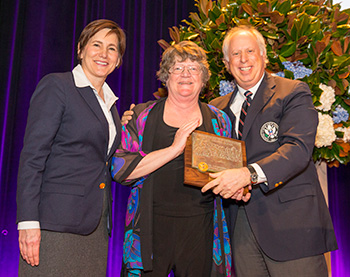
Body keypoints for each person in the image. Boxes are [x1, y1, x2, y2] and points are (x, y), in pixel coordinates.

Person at [201, 25, 338, 276]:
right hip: (239, 228)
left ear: (263, 55)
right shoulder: (214, 109)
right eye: (235, 54)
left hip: (293, 225)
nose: (243, 60)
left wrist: (248, 175)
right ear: (226, 63)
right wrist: (137, 120)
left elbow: (297, 149)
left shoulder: (293, 92)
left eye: (250, 51)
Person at [112, 41, 233, 276]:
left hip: (202, 230)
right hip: (148, 229)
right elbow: (120, 170)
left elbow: (226, 176)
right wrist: (175, 148)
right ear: (166, 77)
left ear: (203, 78)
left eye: (193, 68)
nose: (186, 74)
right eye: (177, 68)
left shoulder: (219, 120)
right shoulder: (141, 116)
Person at [16, 19, 125, 276]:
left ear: (118, 60)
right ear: (80, 49)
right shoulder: (58, 86)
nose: (103, 53)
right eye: (96, 44)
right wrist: (28, 222)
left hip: (95, 226)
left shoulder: (109, 104)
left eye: (112, 48)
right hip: (55, 225)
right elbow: (33, 157)